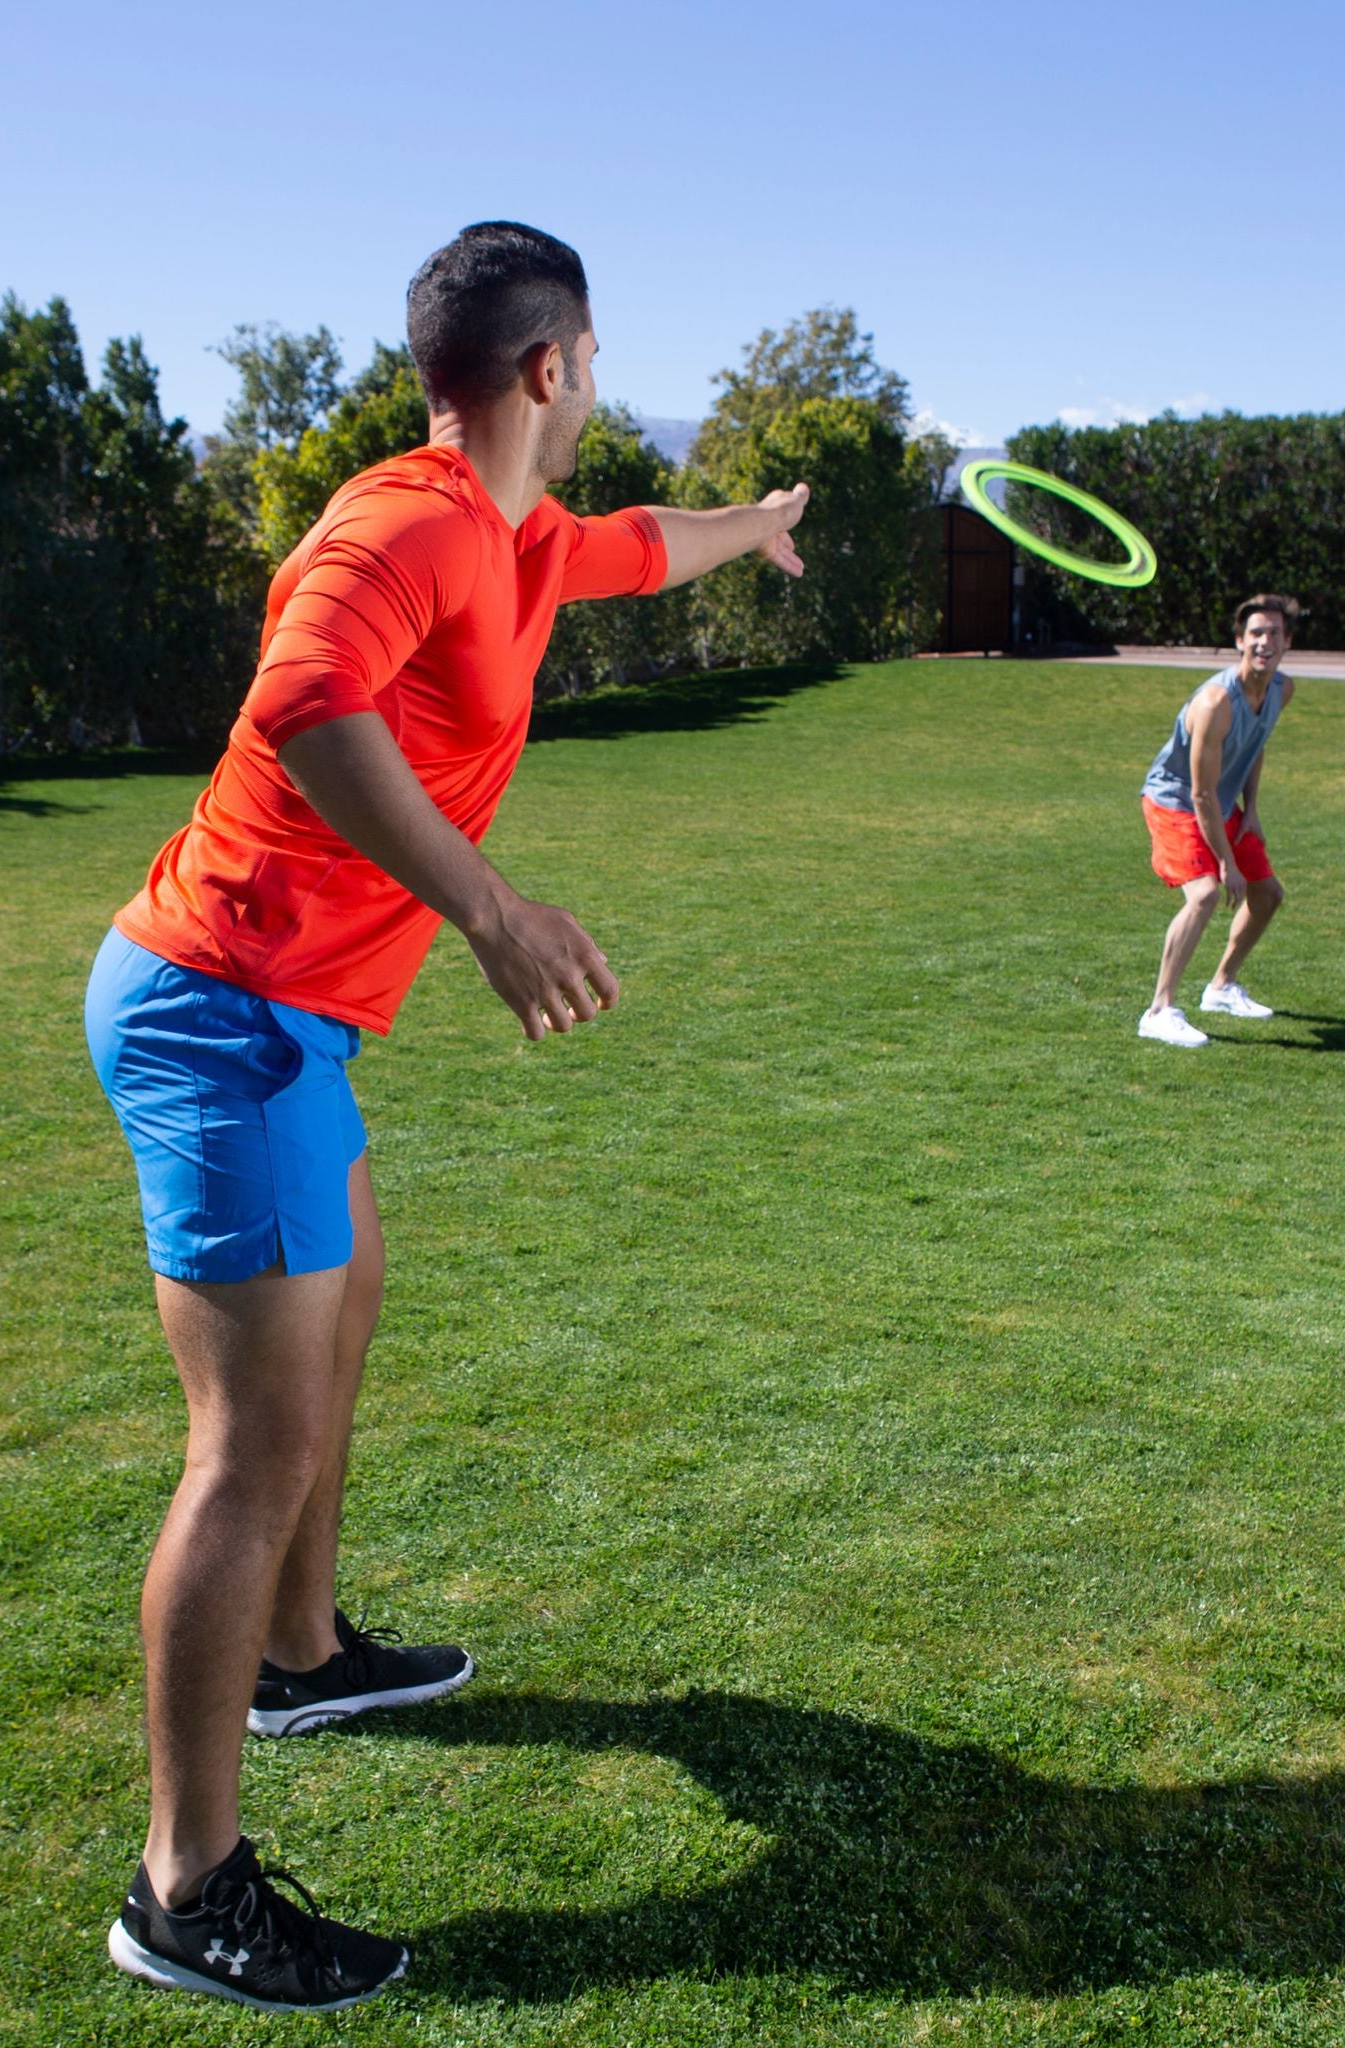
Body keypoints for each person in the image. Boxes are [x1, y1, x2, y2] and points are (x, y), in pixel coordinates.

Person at [86, 221, 810, 2012]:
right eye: (599, 362)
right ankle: (183, 1887)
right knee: (247, 1442)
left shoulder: (516, 534)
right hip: (221, 1012)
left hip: (292, 1026)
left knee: (341, 1331)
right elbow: (303, 703)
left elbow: (646, 546)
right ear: (549, 368)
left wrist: (763, 523)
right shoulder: (405, 522)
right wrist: (492, 912)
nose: (600, 391)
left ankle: (306, 1655)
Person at [1136, 594, 1299, 1048]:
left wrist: (1253, 810)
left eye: (1274, 633)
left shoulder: (1281, 690)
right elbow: (1199, 792)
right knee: (1206, 893)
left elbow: (1255, 744)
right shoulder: (1214, 702)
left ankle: (1221, 989)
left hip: (1223, 803)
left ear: (1287, 642)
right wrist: (1225, 861)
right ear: (1239, 641)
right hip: (1176, 802)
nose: (1264, 642)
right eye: (1256, 634)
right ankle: (1158, 1011)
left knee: (1267, 894)